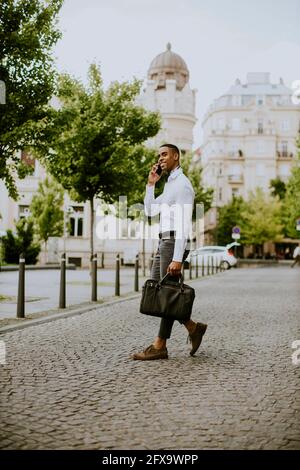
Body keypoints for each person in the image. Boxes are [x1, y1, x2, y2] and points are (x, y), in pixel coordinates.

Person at [132, 144, 207, 361]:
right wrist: (150, 184)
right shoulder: (168, 185)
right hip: (164, 240)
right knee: (159, 291)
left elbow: (184, 224)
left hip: (174, 241)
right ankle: (193, 328)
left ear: (176, 156)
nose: (161, 158)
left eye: (165, 154)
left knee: (165, 292)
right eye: (159, 155)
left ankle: (159, 345)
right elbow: (149, 210)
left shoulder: (183, 185)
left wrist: (177, 258)